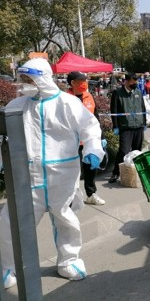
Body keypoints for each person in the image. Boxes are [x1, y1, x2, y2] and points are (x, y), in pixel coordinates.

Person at [0, 58, 104, 289]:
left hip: (62, 176)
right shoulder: (17, 107)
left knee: (65, 221)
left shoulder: (67, 103)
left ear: (44, 79)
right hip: (27, 177)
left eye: (31, 79)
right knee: (11, 223)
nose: (25, 84)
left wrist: (93, 149)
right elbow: (3, 137)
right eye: (23, 79)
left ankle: (69, 260)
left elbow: (90, 128)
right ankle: (8, 266)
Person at [67, 71, 107, 206]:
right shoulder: (64, 99)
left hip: (89, 141)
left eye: (85, 81)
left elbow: (95, 118)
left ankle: (91, 194)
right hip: (71, 143)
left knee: (91, 168)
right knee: (72, 171)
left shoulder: (89, 96)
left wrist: (101, 136)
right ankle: (69, 199)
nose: (84, 84)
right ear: (73, 83)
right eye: (81, 81)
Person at [109, 73, 147, 183]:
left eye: (136, 82)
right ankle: (116, 172)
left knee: (137, 151)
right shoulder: (118, 93)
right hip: (125, 126)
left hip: (138, 125)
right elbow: (114, 111)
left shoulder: (138, 92)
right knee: (123, 150)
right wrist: (116, 126)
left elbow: (142, 108)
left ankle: (136, 172)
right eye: (132, 82)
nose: (135, 84)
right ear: (126, 81)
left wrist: (143, 122)